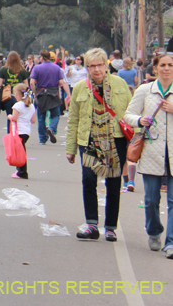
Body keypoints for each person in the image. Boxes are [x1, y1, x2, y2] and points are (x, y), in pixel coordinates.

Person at [66, 48, 131, 242]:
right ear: (86, 67)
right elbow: (73, 120)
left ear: (106, 65)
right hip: (89, 140)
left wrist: (134, 141)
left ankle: (110, 227)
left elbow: (130, 112)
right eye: (92, 66)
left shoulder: (120, 84)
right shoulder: (79, 87)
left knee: (113, 182)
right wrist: (70, 149)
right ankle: (92, 225)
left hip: (115, 139)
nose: (96, 70)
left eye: (100, 65)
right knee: (88, 179)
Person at [124, 52, 173, 258]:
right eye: (163, 65)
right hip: (152, 151)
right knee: (152, 199)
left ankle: (170, 242)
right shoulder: (145, 90)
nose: (167, 68)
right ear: (155, 68)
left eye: (170, 65)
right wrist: (140, 120)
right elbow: (128, 115)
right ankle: (154, 231)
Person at [30, 49, 71, 145]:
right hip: (53, 94)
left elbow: (32, 82)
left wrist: (35, 92)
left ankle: (43, 138)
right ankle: (52, 129)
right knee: (55, 115)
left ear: (41, 57)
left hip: (41, 94)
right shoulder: (56, 68)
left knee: (41, 117)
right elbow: (62, 82)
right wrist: (68, 94)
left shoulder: (37, 68)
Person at [8, 83, 37, 179]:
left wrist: (9, 116)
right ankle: (20, 170)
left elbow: (15, 118)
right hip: (27, 131)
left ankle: (22, 171)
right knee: (21, 150)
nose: (14, 96)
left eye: (14, 94)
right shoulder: (32, 106)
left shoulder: (17, 105)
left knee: (20, 152)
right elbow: (33, 121)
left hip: (18, 131)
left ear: (19, 95)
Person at [0, 51, 29, 129]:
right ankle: (19, 134)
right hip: (19, 96)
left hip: (8, 96)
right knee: (19, 117)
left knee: (10, 116)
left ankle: (10, 134)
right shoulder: (22, 70)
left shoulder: (4, 70)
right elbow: (26, 85)